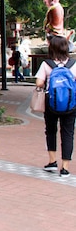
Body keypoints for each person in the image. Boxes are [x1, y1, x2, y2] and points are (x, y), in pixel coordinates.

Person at [35, 36, 76, 178]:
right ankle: (65, 168)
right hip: (71, 104)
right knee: (68, 133)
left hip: (51, 103)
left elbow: (39, 83)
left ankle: (52, 162)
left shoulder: (47, 64)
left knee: (51, 130)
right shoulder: (73, 64)